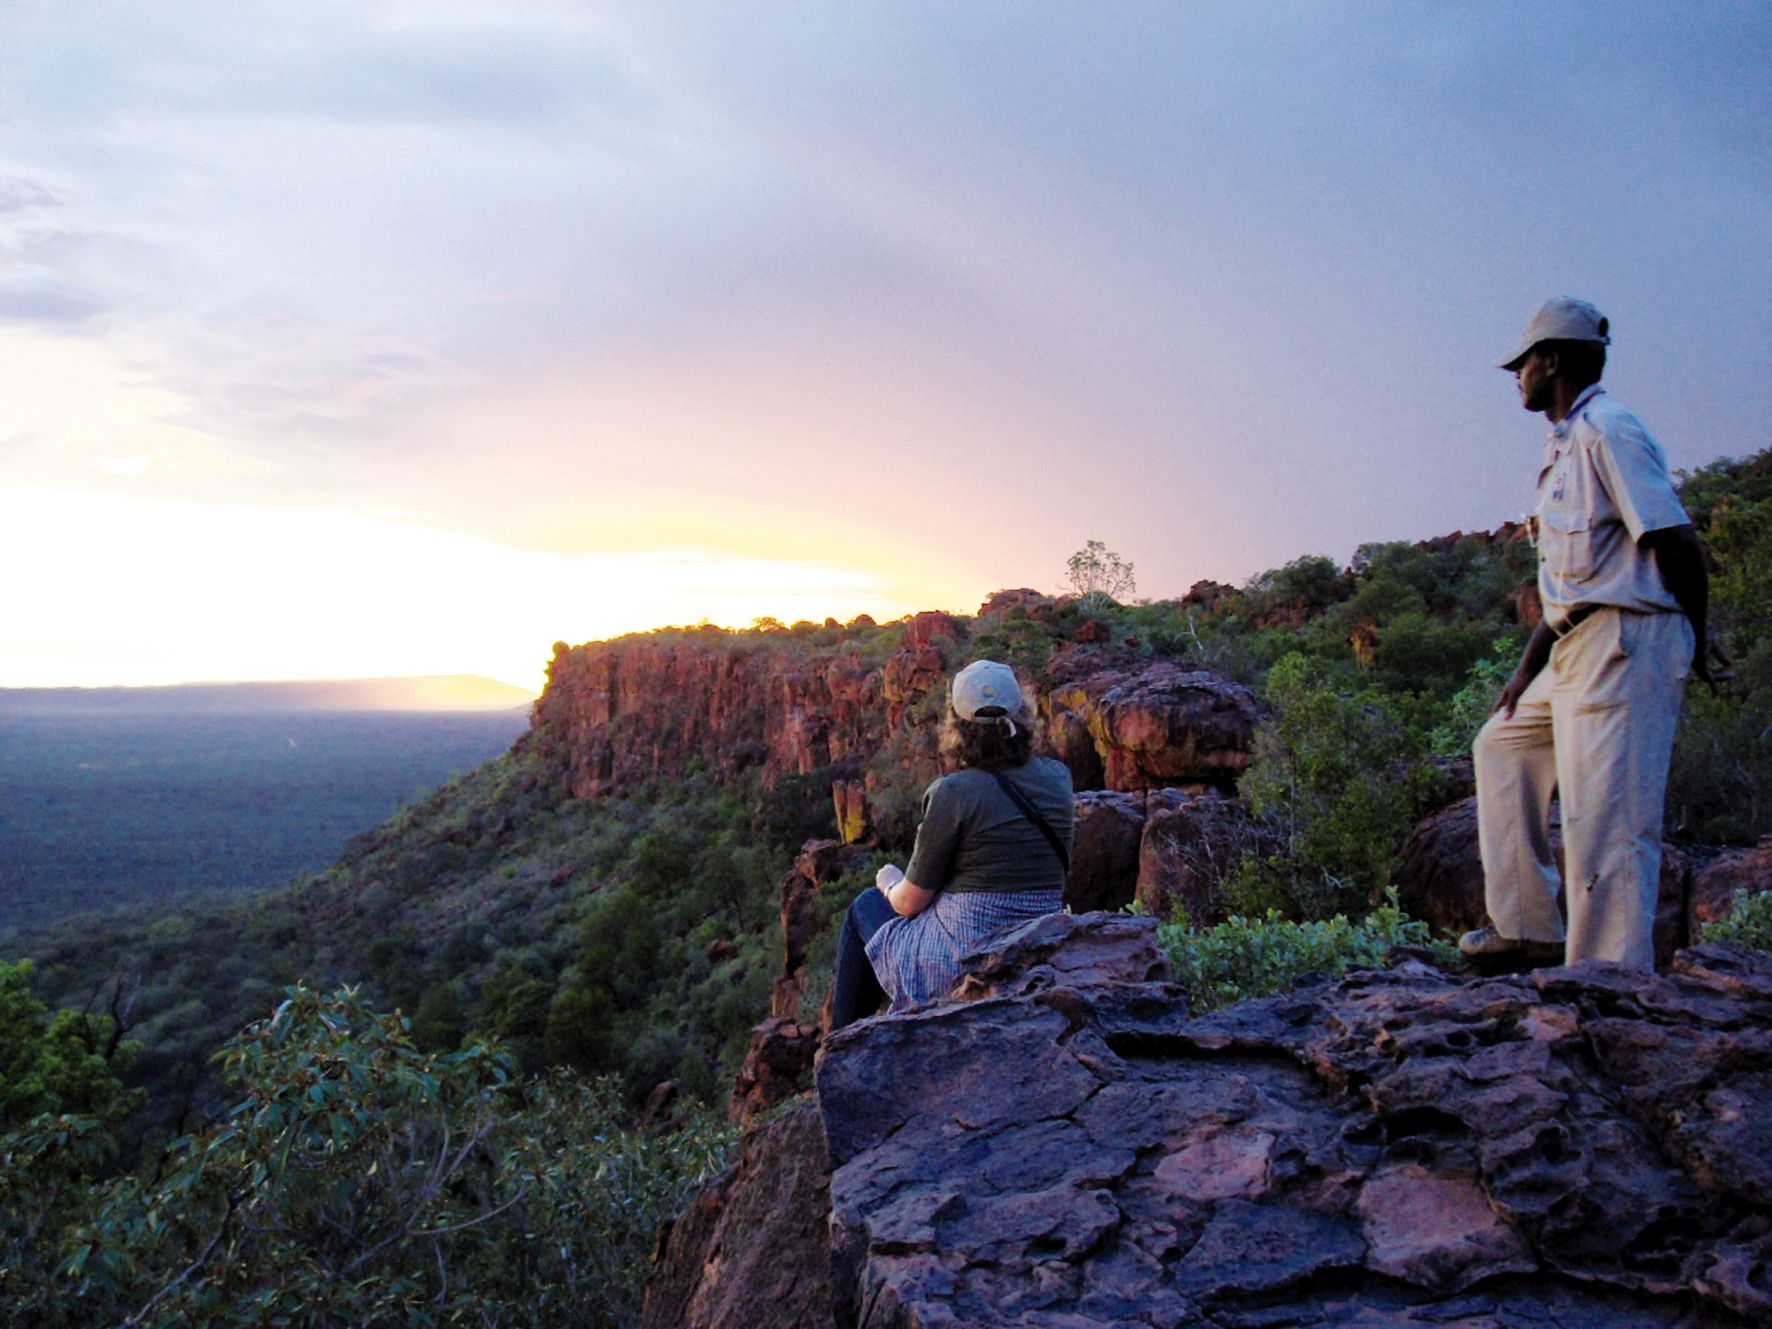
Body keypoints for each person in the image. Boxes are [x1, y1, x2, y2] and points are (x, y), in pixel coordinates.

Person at [1459, 296, 1730, 972]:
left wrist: (1695, 638)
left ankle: (1606, 979)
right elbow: (1568, 589)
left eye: (1523, 363)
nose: (1516, 375)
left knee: (1606, 820)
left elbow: (1672, 537)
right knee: (1502, 744)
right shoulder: (1563, 446)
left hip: (1626, 639)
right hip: (1576, 643)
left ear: (1550, 360)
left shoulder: (1611, 429)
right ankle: (1528, 926)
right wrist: (1523, 676)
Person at [828, 659, 1073, 1029]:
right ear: (1022, 715)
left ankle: (843, 1044)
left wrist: (889, 881)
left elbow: (910, 904)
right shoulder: (1059, 777)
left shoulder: (953, 792)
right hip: (1039, 943)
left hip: (969, 959)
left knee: (865, 907)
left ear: (957, 726)